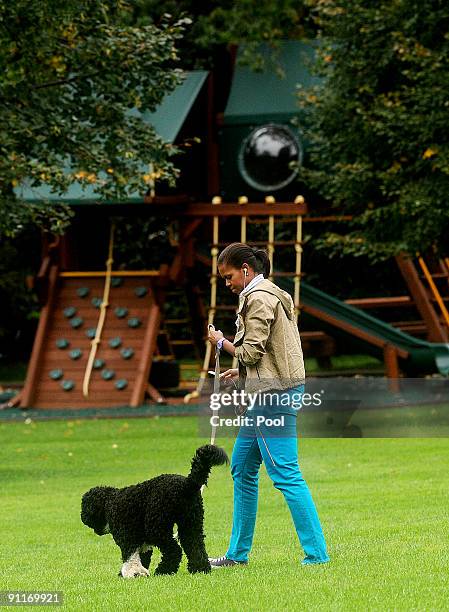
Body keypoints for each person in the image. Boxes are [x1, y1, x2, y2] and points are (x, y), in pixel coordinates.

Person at [207, 242, 330, 567]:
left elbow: (251, 351)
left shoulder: (258, 298)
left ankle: (317, 556)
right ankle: (237, 555)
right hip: (271, 390)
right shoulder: (273, 293)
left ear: (245, 270)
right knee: (242, 468)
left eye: (229, 276)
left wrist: (222, 342)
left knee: (286, 473)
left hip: (271, 397)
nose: (227, 283)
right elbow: (267, 353)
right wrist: (243, 371)